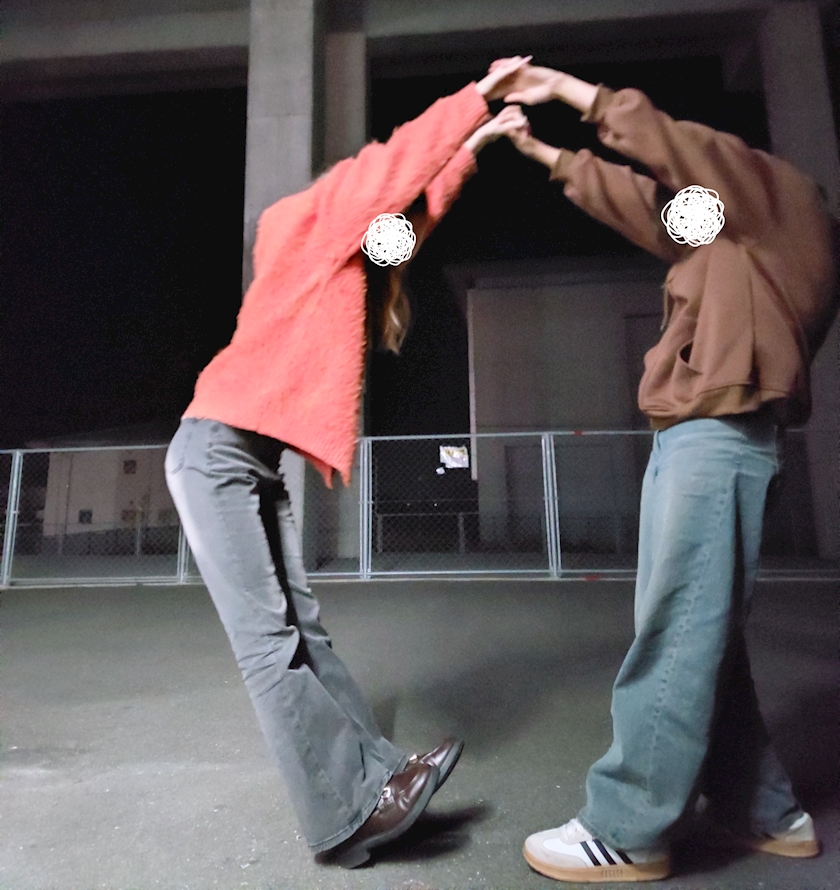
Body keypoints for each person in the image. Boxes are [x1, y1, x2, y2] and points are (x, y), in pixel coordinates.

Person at [164, 58, 530, 869]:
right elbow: (391, 169)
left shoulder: (345, 251)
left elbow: (405, 227)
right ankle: (346, 814)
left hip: (250, 460)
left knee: (306, 631)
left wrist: (473, 151)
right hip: (213, 452)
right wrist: (477, 98)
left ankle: (379, 781)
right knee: (270, 645)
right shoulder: (308, 223)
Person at [497, 60, 839, 883]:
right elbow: (646, 204)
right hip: (694, 434)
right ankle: (765, 809)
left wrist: (569, 93)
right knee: (704, 631)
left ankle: (629, 826)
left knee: (680, 626)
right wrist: (542, 153)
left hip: (722, 432)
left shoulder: (780, 209)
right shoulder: (722, 244)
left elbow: (678, 152)